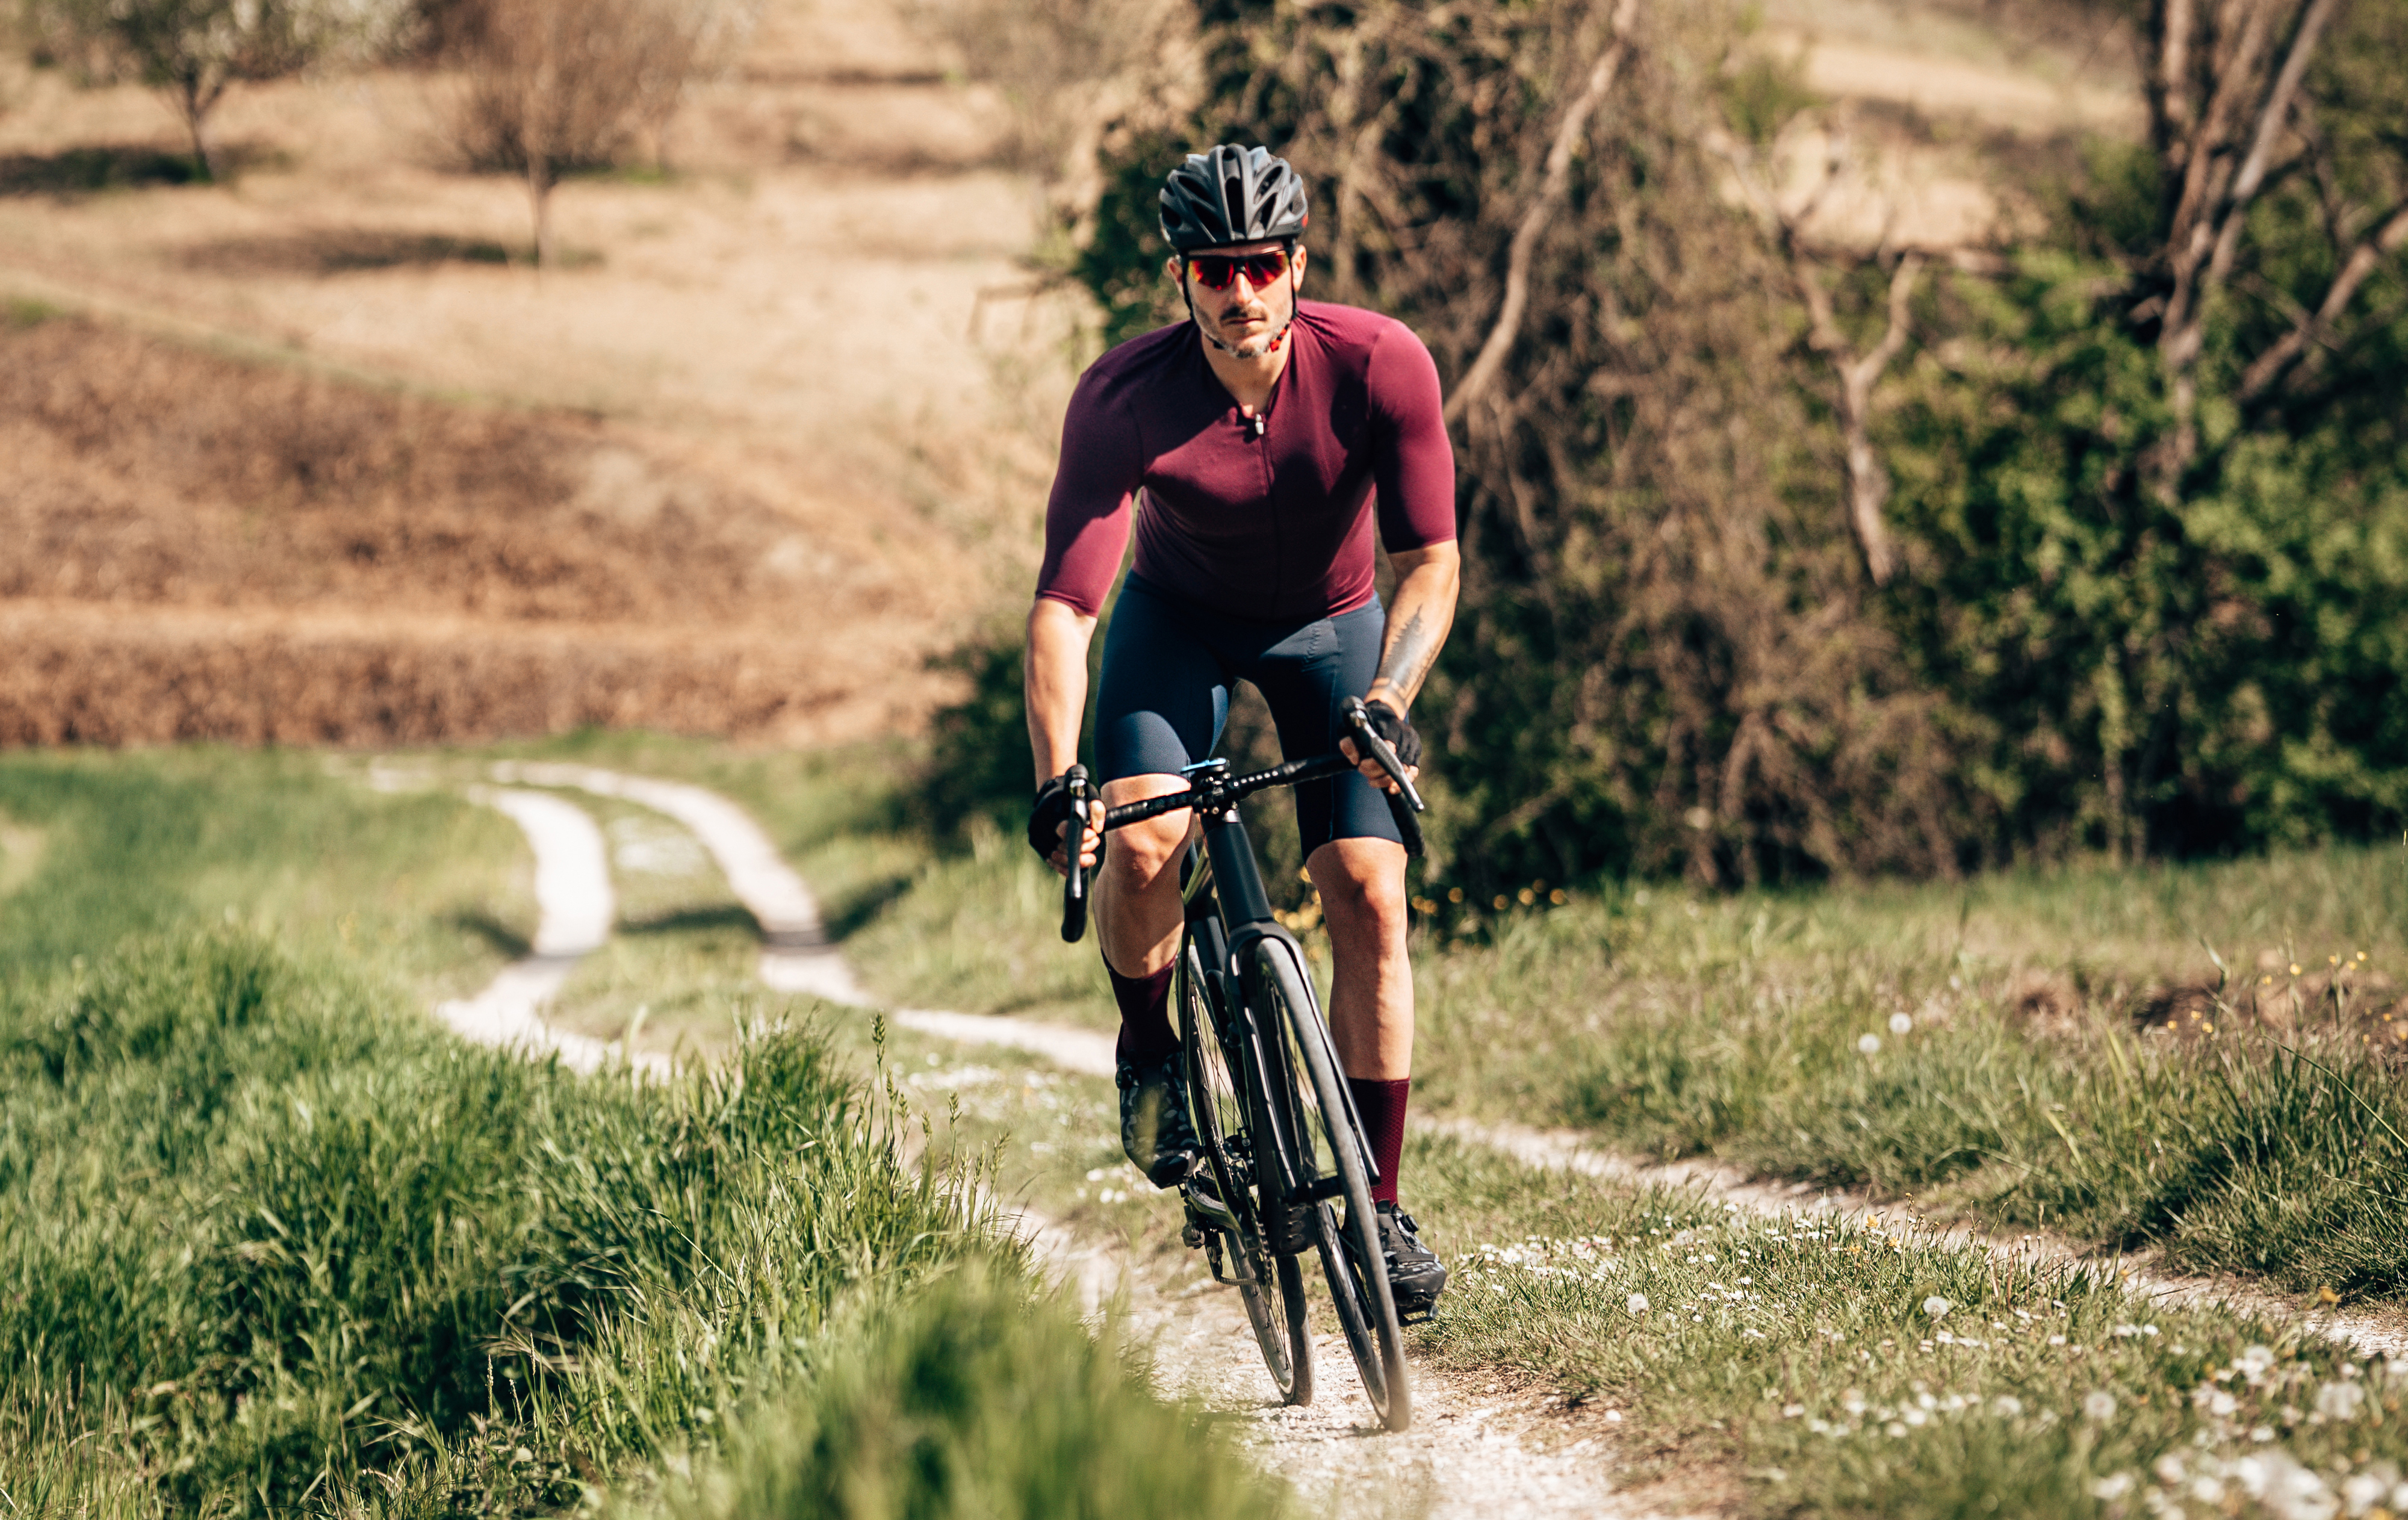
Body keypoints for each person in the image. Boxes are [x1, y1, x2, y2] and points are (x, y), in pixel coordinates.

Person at [1022, 144, 1460, 1315]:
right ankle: (1150, 1047)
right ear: (1181, 277)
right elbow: (1065, 609)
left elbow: (1431, 561)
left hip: (1332, 629)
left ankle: (1377, 1203)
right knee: (1144, 842)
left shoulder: (1378, 365)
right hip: (1175, 631)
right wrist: (1059, 776)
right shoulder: (1127, 397)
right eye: (1214, 268)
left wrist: (1388, 702)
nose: (1240, 291)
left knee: (1368, 888)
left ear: (1295, 265)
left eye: (1261, 264)